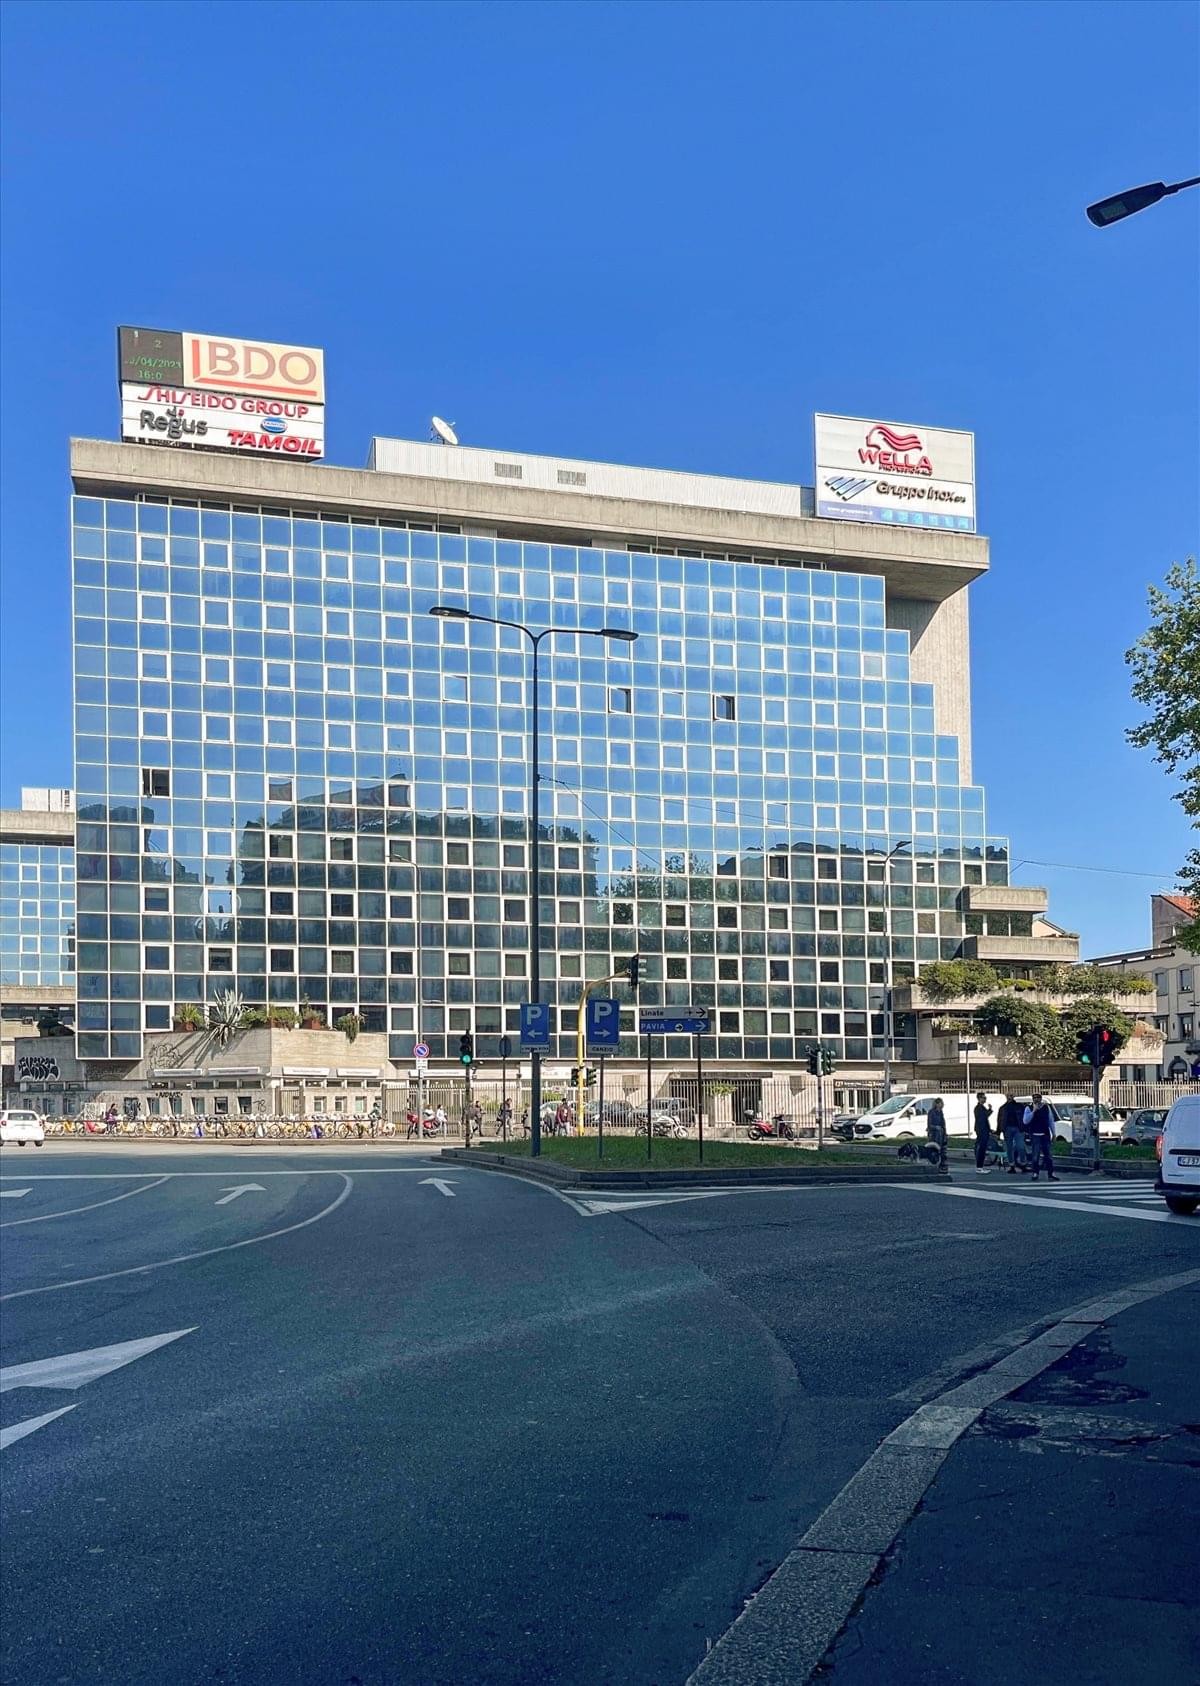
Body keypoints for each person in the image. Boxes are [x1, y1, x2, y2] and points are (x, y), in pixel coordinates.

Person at [1026, 1091, 1058, 1180]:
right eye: (1034, 1098)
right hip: (1034, 1134)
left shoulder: (1046, 1107)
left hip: (1045, 1134)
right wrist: (1033, 1111)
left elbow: (1050, 1120)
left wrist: (1054, 1133)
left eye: (1038, 1098)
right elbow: (1025, 1120)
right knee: (1035, 1155)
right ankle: (1035, 1173)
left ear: (1041, 1099)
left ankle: (1051, 1173)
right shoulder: (1029, 1108)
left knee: (1048, 1155)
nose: (1036, 1100)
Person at [997, 1092, 1027, 1174]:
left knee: (1020, 1146)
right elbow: (999, 1120)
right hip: (1007, 1129)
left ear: (1013, 1096)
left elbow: (1024, 1117)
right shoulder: (1003, 1108)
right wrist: (998, 1132)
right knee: (1009, 1148)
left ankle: (1023, 1164)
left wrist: (1025, 1128)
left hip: (1018, 1128)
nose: (1009, 1097)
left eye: (1011, 1096)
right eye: (1008, 1096)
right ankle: (1012, 1166)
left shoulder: (1019, 1106)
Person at [972, 1092, 993, 1173]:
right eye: (983, 1098)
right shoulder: (978, 1108)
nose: (985, 1099)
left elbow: (985, 1117)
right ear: (979, 1098)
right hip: (982, 1130)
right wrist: (990, 1110)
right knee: (982, 1148)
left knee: (982, 1148)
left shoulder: (981, 1107)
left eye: (985, 1098)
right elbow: (983, 1118)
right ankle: (979, 1167)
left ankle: (980, 1166)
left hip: (983, 1130)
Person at [926, 1097, 948, 1171]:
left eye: (941, 1103)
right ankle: (934, 1164)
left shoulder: (941, 1112)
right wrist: (936, 1127)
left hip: (941, 1134)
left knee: (941, 1150)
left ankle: (941, 1165)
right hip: (934, 1134)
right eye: (939, 1103)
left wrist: (945, 1133)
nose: (941, 1105)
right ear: (936, 1104)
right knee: (933, 1149)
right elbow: (929, 1124)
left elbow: (943, 1124)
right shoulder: (931, 1112)